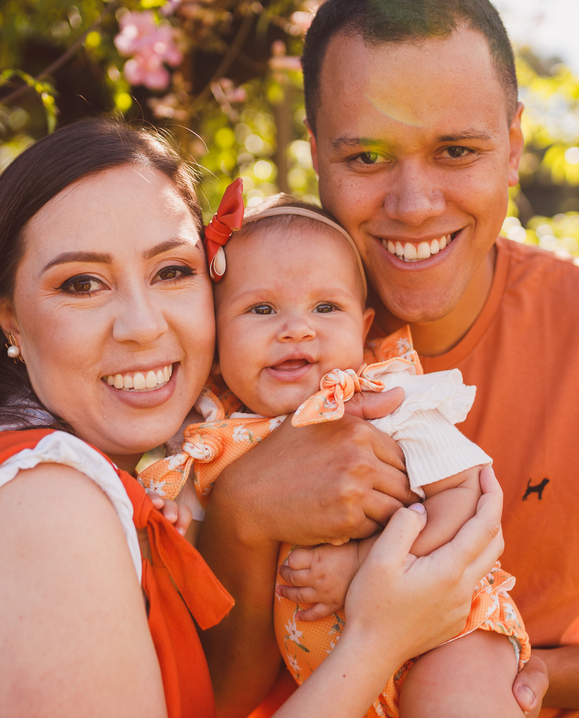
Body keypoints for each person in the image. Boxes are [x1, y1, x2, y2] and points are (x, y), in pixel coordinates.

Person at [0, 118, 515, 718]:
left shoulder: (101, 476)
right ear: (6, 314)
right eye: (81, 283)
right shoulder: (45, 501)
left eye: (171, 271)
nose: (141, 325)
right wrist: (379, 640)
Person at [197, 0, 579, 718]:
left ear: (513, 146)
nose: (414, 203)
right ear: (316, 153)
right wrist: (243, 509)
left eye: (456, 151)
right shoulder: (233, 338)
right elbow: (210, 697)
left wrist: (520, 676)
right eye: (366, 156)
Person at [139, 189, 529, 718]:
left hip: (449, 636)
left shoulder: (387, 401)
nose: (297, 328)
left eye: (326, 308)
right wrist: (173, 526)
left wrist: (362, 565)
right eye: (261, 309)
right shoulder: (207, 442)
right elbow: (200, 574)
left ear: (362, 329)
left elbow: (467, 499)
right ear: (214, 334)